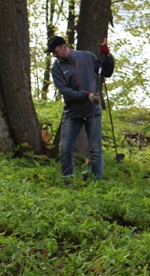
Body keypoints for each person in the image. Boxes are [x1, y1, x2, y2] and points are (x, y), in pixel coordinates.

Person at [47, 35, 115, 181]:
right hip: (72, 112)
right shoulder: (57, 68)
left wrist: (108, 56)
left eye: (55, 51)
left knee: (95, 150)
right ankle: (68, 179)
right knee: (65, 148)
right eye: (52, 52)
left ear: (64, 47)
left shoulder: (87, 57)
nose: (54, 54)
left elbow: (106, 72)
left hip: (93, 111)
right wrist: (86, 95)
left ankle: (97, 181)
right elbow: (65, 91)